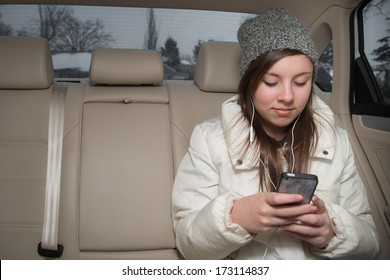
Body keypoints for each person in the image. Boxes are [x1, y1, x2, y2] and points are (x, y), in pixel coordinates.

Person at [171, 8, 380, 259]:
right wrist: (236, 218)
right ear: (249, 82)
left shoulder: (337, 140)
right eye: (271, 82)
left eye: (301, 82)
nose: (288, 97)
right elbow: (188, 244)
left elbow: (370, 243)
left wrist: (333, 232)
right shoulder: (209, 138)